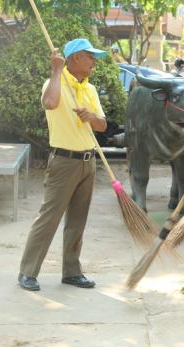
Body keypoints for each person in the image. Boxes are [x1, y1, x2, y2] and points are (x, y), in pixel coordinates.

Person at [18, 38, 108, 291]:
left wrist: (92, 117)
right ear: (77, 57)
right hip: (63, 161)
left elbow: (103, 125)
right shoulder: (54, 83)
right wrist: (56, 70)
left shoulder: (89, 90)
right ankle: (27, 272)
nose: (94, 63)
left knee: (78, 221)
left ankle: (71, 271)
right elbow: (49, 103)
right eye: (91, 57)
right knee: (49, 218)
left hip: (88, 162)